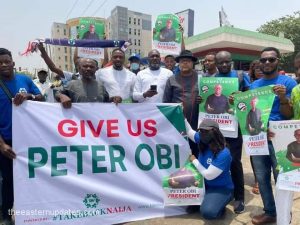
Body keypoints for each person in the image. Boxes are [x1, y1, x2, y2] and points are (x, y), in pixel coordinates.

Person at [250, 47, 297, 225]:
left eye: (271, 59)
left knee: (282, 179)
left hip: (281, 139)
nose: (267, 63)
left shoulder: (288, 84)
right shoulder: (255, 85)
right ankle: (270, 212)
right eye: (263, 60)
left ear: (278, 61)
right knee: (262, 177)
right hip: (258, 136)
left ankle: (284, 215)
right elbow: (250, 113)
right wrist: (236, 102)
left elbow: (290, 114)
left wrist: (283, 97)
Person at [0, 48, 44, 225]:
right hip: (6, 141)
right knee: (8, 180)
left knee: (33, 177)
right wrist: (1, 145)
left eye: (6, 61)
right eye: (0, 62)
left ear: (13, 63)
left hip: (29, 139)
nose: (3, 65)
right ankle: (6, 214)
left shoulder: (25, 80)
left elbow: (41, 97)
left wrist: (29, 95)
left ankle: (35, 213)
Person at [214, 50, 251, 214]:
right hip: (217, 128)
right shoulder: (212, 79)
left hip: (235, 128)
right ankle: (221, 193)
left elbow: (250, 99)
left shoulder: (241, 76)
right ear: (216, 64)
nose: (223, 65)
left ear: (231, 62)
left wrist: (241, 97)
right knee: (217, 161)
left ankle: (239, 197)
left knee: (235, 162)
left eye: (226, 62)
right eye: (220, 62)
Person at [185, 119, 233, 219]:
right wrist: (182, 115)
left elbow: (208, 175)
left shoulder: (224, 153)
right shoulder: (202, 139)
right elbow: (189, 132)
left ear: (215, 132)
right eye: (201, 131)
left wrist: (194, 160)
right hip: (203, 184)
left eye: (206, 131)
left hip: (220, 188)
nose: (203, 134)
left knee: (208, 212)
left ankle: (219, 205)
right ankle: (207, 200)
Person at [163, 50, 200, 156]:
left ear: (192, 63)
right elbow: (166, 102)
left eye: (188, 61)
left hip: (197, 123)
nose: (185, 63)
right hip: (178, 122)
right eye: (182, 61)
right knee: (179, 153)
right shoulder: (171, 79)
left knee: (197, 151)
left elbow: (207, 99)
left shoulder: (201, 78)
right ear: (178, 63)